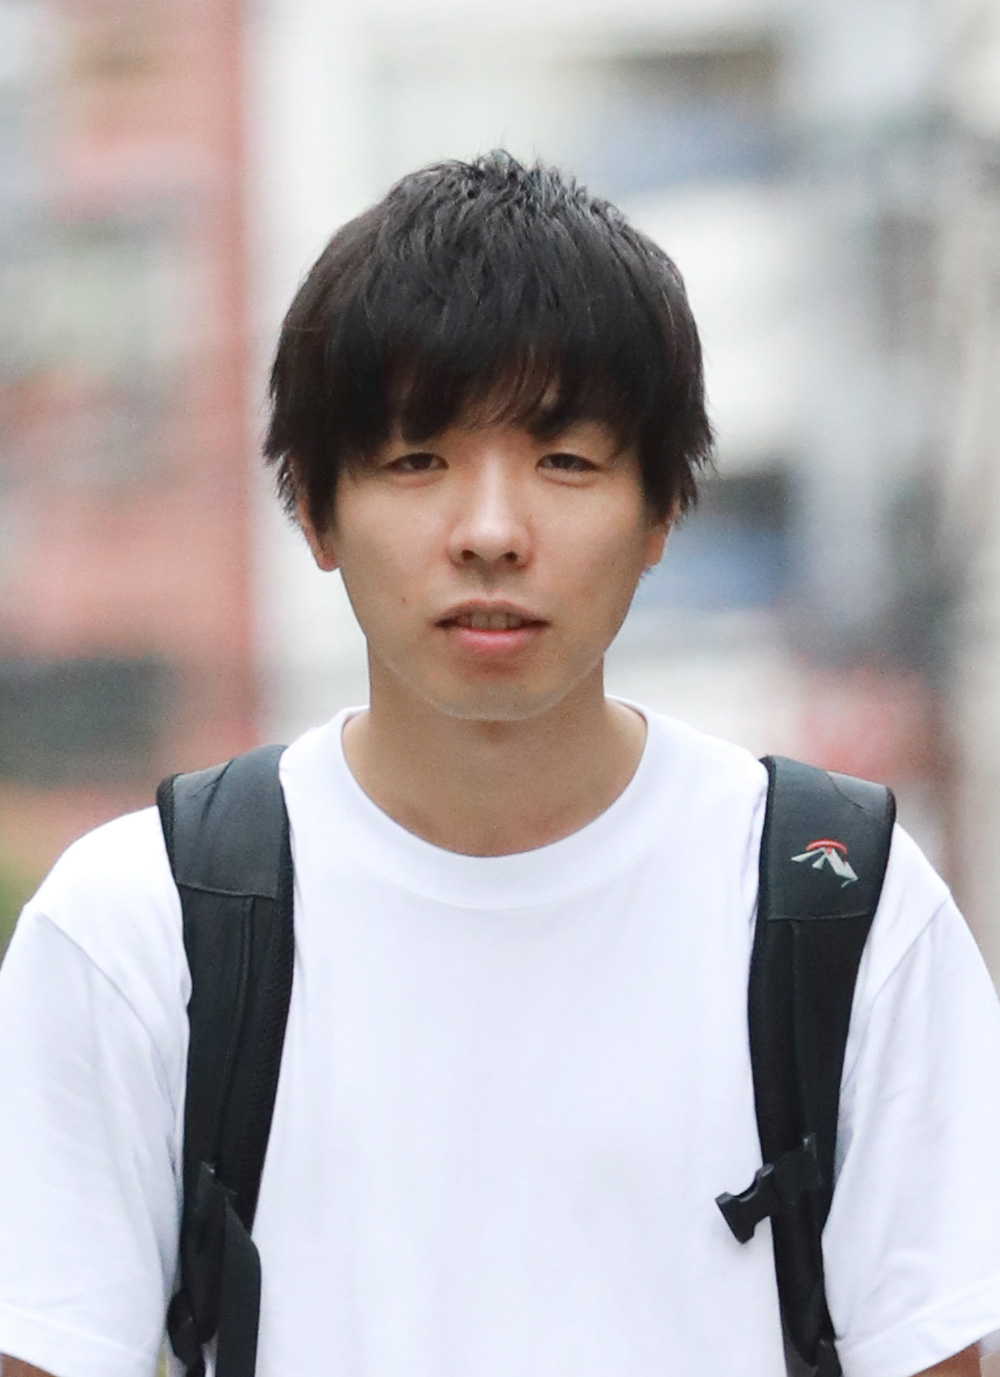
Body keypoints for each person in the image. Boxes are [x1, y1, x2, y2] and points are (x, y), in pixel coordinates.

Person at [0, 152, 998, 1377]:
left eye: (563, 461)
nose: (489, 532)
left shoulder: (839, 904)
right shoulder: (141, 927)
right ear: (313, 508)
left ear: (661, 511)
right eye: (416, 461)